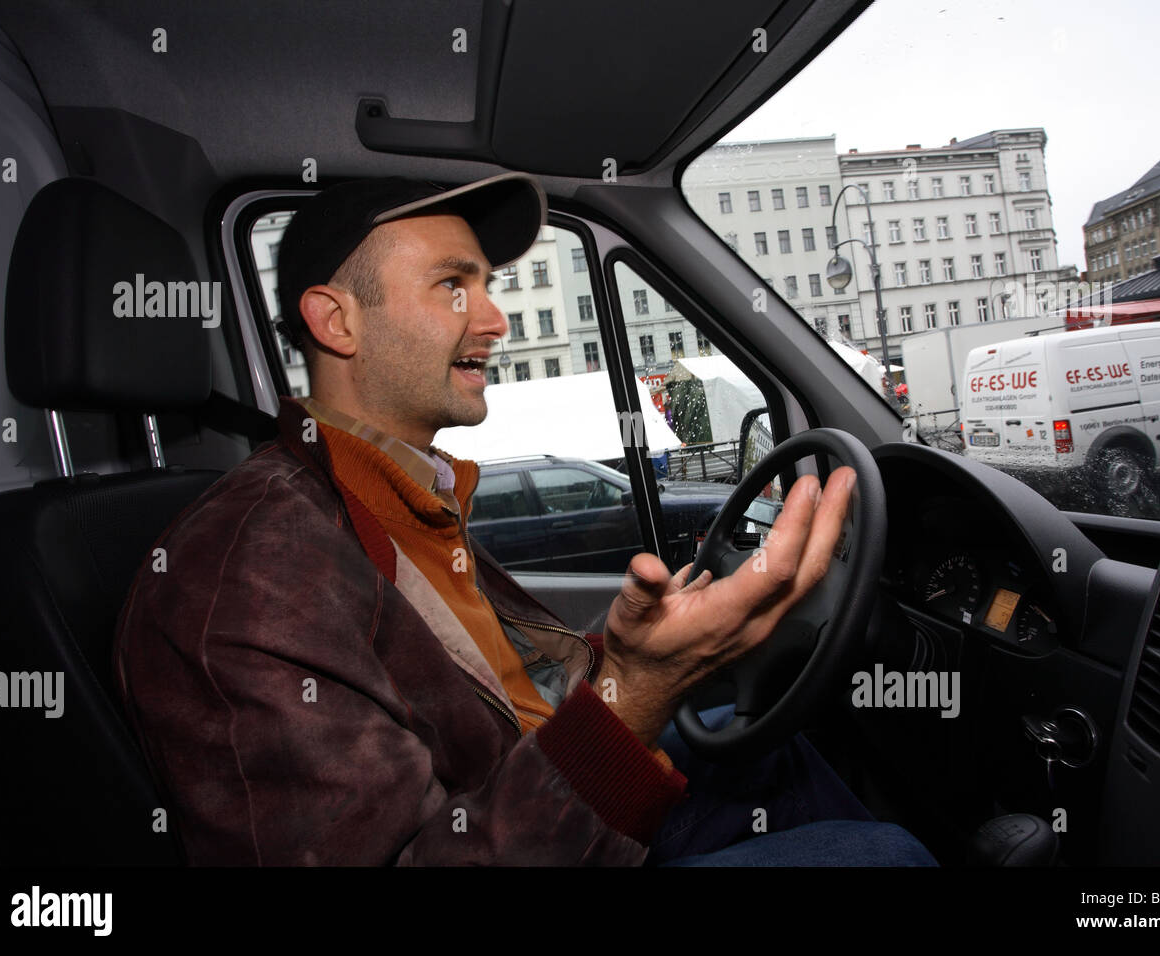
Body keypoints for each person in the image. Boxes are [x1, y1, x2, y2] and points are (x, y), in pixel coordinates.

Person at [112, 173, 935, 866]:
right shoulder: (250, 574)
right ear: (338, 322)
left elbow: (511, 695)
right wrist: (639, 690)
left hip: (536, 795)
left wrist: (637, 652)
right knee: (887, 857)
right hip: (532, 826)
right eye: (452, 285)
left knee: (769, 748)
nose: (496, 319)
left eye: (488, 286)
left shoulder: (395, 493)